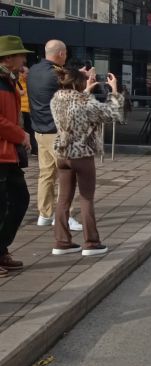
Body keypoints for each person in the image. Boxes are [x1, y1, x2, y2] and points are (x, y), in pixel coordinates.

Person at [50, 67, 123, 257]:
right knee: (86, 198)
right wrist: (114, 90)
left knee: (63, 199)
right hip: (82, 154)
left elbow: (73, 107)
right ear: (77, 84)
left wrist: (86, 91)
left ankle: (61, 242)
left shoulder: (56, 98)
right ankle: (91, 243)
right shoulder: (85, 102)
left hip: (62, 153)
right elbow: (112, 114)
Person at [28, 40, 83, 229]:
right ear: (60, 53)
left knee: (46, 173)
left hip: (39, 130)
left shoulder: (33, 70)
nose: (66, 56)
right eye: (65, 53)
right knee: (67, 174)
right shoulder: (57, 74)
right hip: (57, 132)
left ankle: (45, 214)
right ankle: (65, 216)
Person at [0, 36, 34, 275]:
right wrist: (20, 134)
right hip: (3, 151)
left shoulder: (9, 80)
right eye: (21, 55)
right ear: (8, 58)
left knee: (19, 199)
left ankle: (1, 249)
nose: (24, 58)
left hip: (7, 153)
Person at [16, 65, 37, 154]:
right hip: (21, 111)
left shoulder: (29, 82)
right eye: (27, 73)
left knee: (31, 130)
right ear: (21, 73)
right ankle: (22, 150)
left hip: (28, 110)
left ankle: (33, 149)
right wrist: (18, 92)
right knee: (22, 130)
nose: (28, 75)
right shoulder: (16, 82)